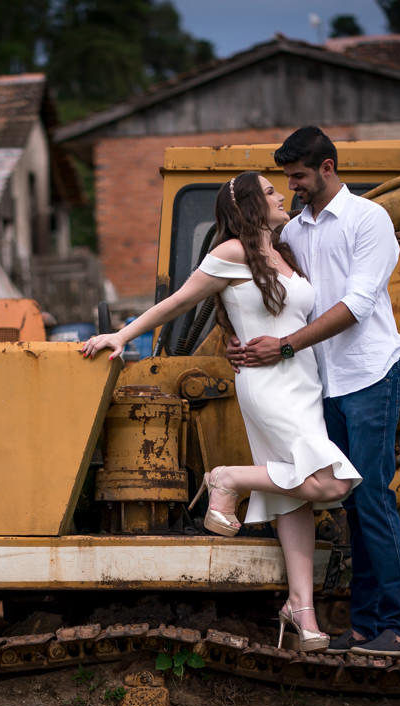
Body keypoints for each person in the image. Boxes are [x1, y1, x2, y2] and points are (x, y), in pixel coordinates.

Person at [81, 171, 361, 653]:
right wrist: (122, 336)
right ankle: (226, 479)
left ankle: (301, 608)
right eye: (270, 192)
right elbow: (178, 302)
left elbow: (291, 317)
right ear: (250, 205)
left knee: (296, 497)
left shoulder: (285, 252)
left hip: (303, 382)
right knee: (329, 481)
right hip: (268, 386)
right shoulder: (231, 253)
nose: (281, 196)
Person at [226, 126, 400, 658]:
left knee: (374, 495)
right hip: (324, 382)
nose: (292, 187)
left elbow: (357, 305)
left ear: (327, 168)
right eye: (287, 179)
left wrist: (285, 346)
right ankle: (365, 626)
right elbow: (270, 290)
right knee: (351, 502)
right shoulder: (295, 230)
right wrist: (235, 334)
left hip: (371, 373)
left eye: (298, 177)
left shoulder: (368, 219)